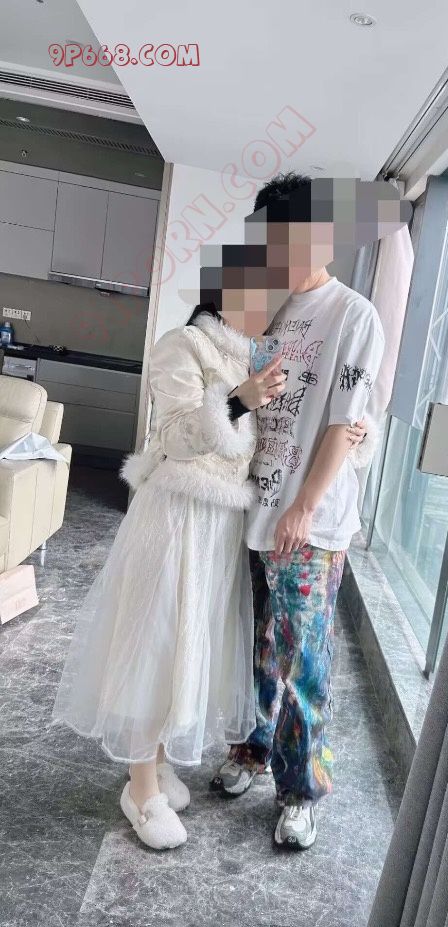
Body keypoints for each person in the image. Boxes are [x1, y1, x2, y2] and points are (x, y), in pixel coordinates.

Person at [52, 268, 288, 851]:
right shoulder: (183, 344)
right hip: (176, 514)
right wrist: (238, 400)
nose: (265, 305)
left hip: (220, 524)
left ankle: (155, 765)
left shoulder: (253, 355)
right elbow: (179, 436)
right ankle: (140, 790)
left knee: (189, 645)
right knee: (155, 643)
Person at [212, 173, 385, 850]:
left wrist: (304, 507)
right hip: (256, 505)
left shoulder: (354, 315)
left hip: (310, 523)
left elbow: (346, 421)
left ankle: (300, 791)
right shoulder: (268, 313)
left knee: (303, 661)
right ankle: (253, 750)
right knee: (258, 646)